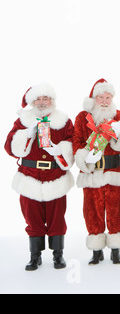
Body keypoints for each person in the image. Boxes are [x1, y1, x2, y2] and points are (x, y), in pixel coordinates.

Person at [5, 83, 75, 271]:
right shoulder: (23, 120)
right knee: (32, 218)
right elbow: (9, 146)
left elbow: (72, 142)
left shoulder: (64, 120)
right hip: (30, 177)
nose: (42, 102)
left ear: (52, 100)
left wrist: (59, 150)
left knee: (57, 218)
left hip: (55, 176)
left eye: (46, 98)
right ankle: (34, 257)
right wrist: (26, 134)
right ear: (32, 101)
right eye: (38, 99)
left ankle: (58, 255)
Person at [73, 78, 120, 265]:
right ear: (94, 98)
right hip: (92, 173)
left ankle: (116, 251)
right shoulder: (82, 118)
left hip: (115, 171)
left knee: (118, 210)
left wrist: (119, 133)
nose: (105, 101)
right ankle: (96, 251)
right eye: (101, 97)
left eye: (108, 97)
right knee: (92, 211)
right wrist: (84, 157)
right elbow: (76, 142)